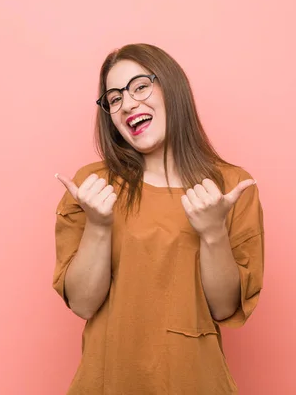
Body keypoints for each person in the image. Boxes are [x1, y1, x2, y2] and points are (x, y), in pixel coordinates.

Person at [53, 43, 265, 394]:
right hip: (108, 381)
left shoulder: (230, 188)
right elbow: (83, 303)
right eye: (114, 98)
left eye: (139, 86)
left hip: (195, 381)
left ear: (172, 87)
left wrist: (212, 232)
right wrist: (98, 225)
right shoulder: (93, 187)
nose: (128, 104)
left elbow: (225, 308)